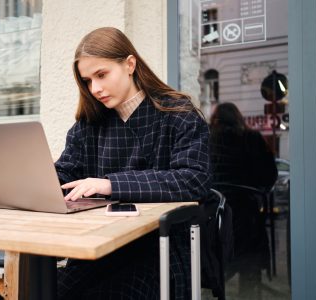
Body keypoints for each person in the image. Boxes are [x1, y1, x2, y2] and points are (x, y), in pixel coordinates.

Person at [54, 27, 211, 300]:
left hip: (159, 250)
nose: (95, 89)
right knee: (47, 290)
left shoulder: (177, 113)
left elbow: (193, 179)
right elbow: (66, 172)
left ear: (129, 64)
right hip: (99, 247)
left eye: (101, 75)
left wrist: (110, 184)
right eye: (88, 80)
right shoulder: (88, 125)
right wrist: (36, 180)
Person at [209, 102, 278, 295]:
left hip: (212, 217)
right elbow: (268, 176)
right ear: (238, 118)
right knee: (251, 255)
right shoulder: (251, 139)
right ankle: (249, 292)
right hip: (245, 216)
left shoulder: (206, 140)